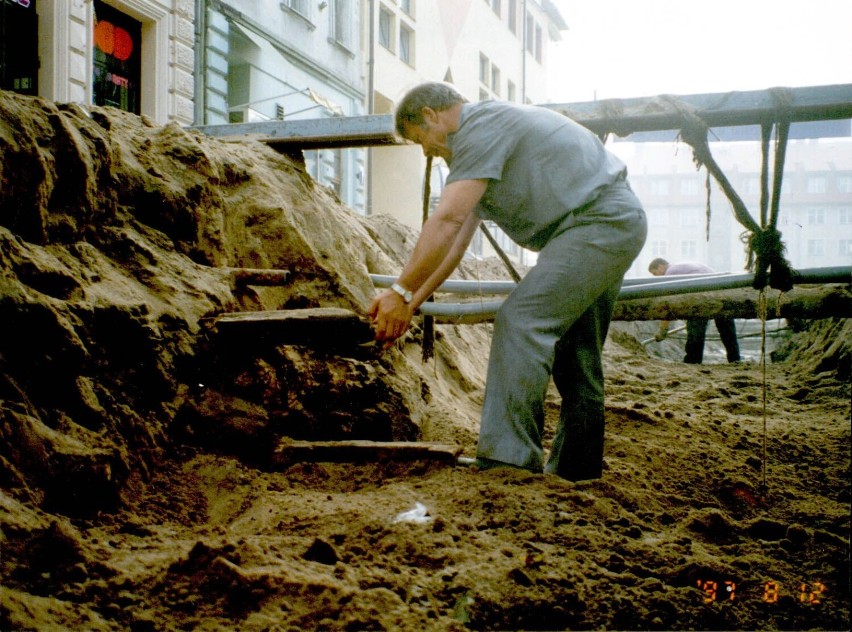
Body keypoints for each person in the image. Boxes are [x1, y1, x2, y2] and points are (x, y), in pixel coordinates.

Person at [368, 82, 647, 481]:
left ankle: (509, 460)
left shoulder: (478, 128)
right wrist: (410, 305)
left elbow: (445, 221)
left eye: (421, 140)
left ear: (431, 115)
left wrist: (397, 291)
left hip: (598, 223)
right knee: (577, 350)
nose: (427, 151)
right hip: (609, 224)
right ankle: (575, 471)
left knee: (520, 320)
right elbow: (454, 247)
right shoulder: (486, 139)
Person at [647, 258, 741, 364]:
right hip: (722, 293)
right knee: (727, 330)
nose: (656, 277)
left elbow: (669, 304)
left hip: (703, 296)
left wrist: (663, 329)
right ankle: (735, 360)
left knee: (696, 328)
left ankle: (693, 361)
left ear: (660, 267)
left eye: (655, 274)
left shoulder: (670, 273)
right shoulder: (682, 266)